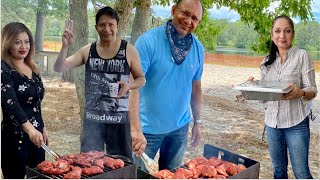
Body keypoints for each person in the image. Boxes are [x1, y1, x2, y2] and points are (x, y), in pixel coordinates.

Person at [54, 6, 146, 161]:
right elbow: (59, 67)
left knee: (120, 165)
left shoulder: (129, 50)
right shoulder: (88, 50)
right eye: (102, 25)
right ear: (96, 28)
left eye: (111, 24)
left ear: (117, 26)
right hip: (93, 121)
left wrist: (129, 86)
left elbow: (141, 79)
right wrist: (65, 46)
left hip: (119, 120)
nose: (107, 29)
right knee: (88, 164)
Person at [132, 0, 204, 171]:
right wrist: (135, 129)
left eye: (194, 18)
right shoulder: (148, 41)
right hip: (146, 129)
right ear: (173, 10)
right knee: (137, 175)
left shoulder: (198, 49)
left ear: (198, 23)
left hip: (179, 130)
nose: (188, 21)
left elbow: (196, 87)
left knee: (172, 175)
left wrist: (198, 122)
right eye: (185, 13)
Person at [250, 15, 317, 179]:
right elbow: (264, 97)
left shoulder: (302, 56)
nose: (282, 36)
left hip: (297, 123)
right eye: (278, 31)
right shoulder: (266, 61)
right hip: (272, 124)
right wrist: (250, 87)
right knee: (279, 172)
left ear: (293, 34)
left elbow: (312, 90)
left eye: (287, 31)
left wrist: (300, 92)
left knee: (301, 172)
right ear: (272, 35)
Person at [1, 22, 48, 178]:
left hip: (37, 136)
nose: (23, 46)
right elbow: (10, 104)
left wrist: (42, 127)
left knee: (39, 175)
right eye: (17, 42)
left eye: (26, 41)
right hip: (15, 138)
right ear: (8, 43)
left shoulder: (32, 68)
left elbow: (36, 103)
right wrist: (30, 130)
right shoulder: (4, 69)